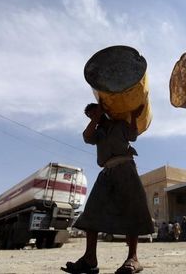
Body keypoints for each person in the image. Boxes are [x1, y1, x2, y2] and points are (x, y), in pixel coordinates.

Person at [62, 103, 154, 274]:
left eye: (94, 112)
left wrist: (133, 116)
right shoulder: (97, 134)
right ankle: (90, 259)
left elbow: (133, 136)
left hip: (126, 168)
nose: (93, 116)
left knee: (132, 210)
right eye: (89, 115)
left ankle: (133, 258)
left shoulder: (119, 125)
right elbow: (86, 136)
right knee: (91, 211)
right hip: (106, 172)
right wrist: (95, 118)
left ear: (103, 110)